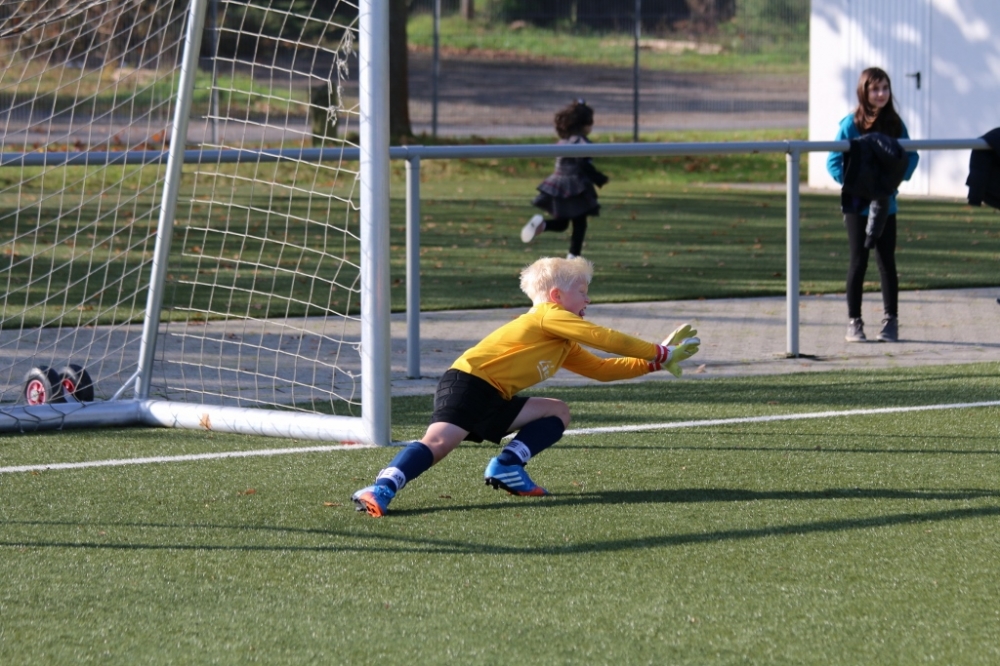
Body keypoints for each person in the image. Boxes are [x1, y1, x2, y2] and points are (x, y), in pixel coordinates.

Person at [351, 256, 701, 517]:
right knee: (439, 444)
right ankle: (382, 486)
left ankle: (506, 466)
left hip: (496, 393)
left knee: (557, 411)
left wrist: (654, 362)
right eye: (582, 292)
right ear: (555, 296)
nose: (588, 301)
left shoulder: (561, 339)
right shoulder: (547, 315)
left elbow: (602, 369)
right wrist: (659, 350)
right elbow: (603, 338)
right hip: (469, 383)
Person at [827, 67, 919, 343]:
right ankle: (854, 321)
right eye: (874, 89)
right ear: (864, 91)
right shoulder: (850, 124)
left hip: (886, 205)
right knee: (858, 261)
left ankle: (891, 321)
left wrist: (889, 184)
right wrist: (860, 185)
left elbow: (910, 157)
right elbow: (833, 162)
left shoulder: (896, 125)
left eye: (885, 88)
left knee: (886, 262)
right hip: (857, 206)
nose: (880, 94)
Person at [521, 99, 608, 259]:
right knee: (580, 222)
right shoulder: (581, 142)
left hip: (558, 182)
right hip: (573, 185)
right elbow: (581, 163)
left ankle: (541, 225)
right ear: (584, 124)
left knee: (562, 223)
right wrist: (598, 177)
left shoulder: (564, 141)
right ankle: (573, 256)